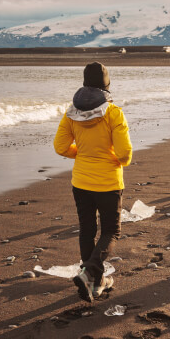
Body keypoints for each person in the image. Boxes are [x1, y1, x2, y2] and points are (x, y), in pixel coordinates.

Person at [54, 62, 132, 302]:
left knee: (87, 230)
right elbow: (124, 154)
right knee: (111, 231)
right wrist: (107, 157)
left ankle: (94, 282)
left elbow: (60, 147)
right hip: (108, 183)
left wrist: (83, 153)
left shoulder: (71, 113)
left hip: (81, 182)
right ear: (106, 86)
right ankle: (90, 273)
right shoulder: (113, 112)